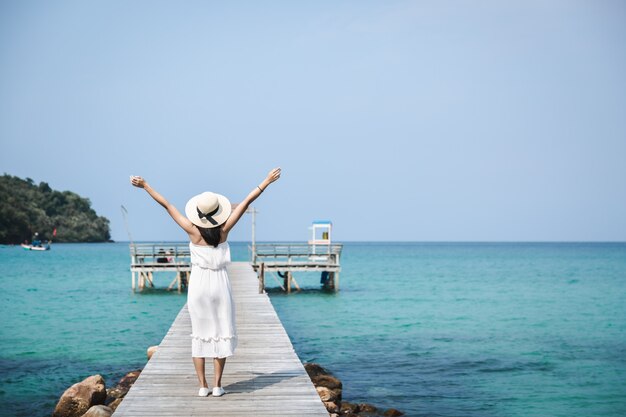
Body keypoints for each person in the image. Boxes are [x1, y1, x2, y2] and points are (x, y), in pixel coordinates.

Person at [130, 168, 281, 397]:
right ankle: (218, 385)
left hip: (199, 285)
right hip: (220, 284)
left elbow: (167, 205)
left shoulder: (192, 231)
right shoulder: (224, 230)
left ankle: (202, 386)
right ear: (218, 213)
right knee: (221, 332)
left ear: (198, 213)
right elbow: (249, 199)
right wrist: (266, 181)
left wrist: (146, 186)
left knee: (200, 334)